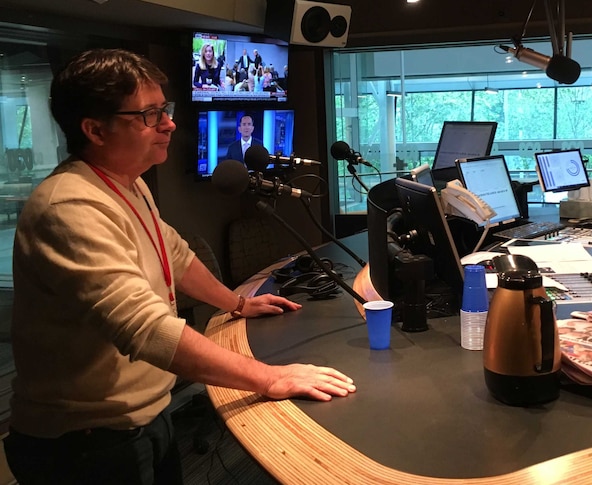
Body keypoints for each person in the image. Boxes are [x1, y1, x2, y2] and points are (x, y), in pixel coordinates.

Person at [3, 48, 356, 485]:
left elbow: (177, 255)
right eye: (149, 115)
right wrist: (270, 379)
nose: (169, 123)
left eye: (163, 109)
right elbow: (146, 329)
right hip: (86, 443)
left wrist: (238, 304)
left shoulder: (127, 186)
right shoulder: (70, 206)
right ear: (94, 129)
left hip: (144, 416)